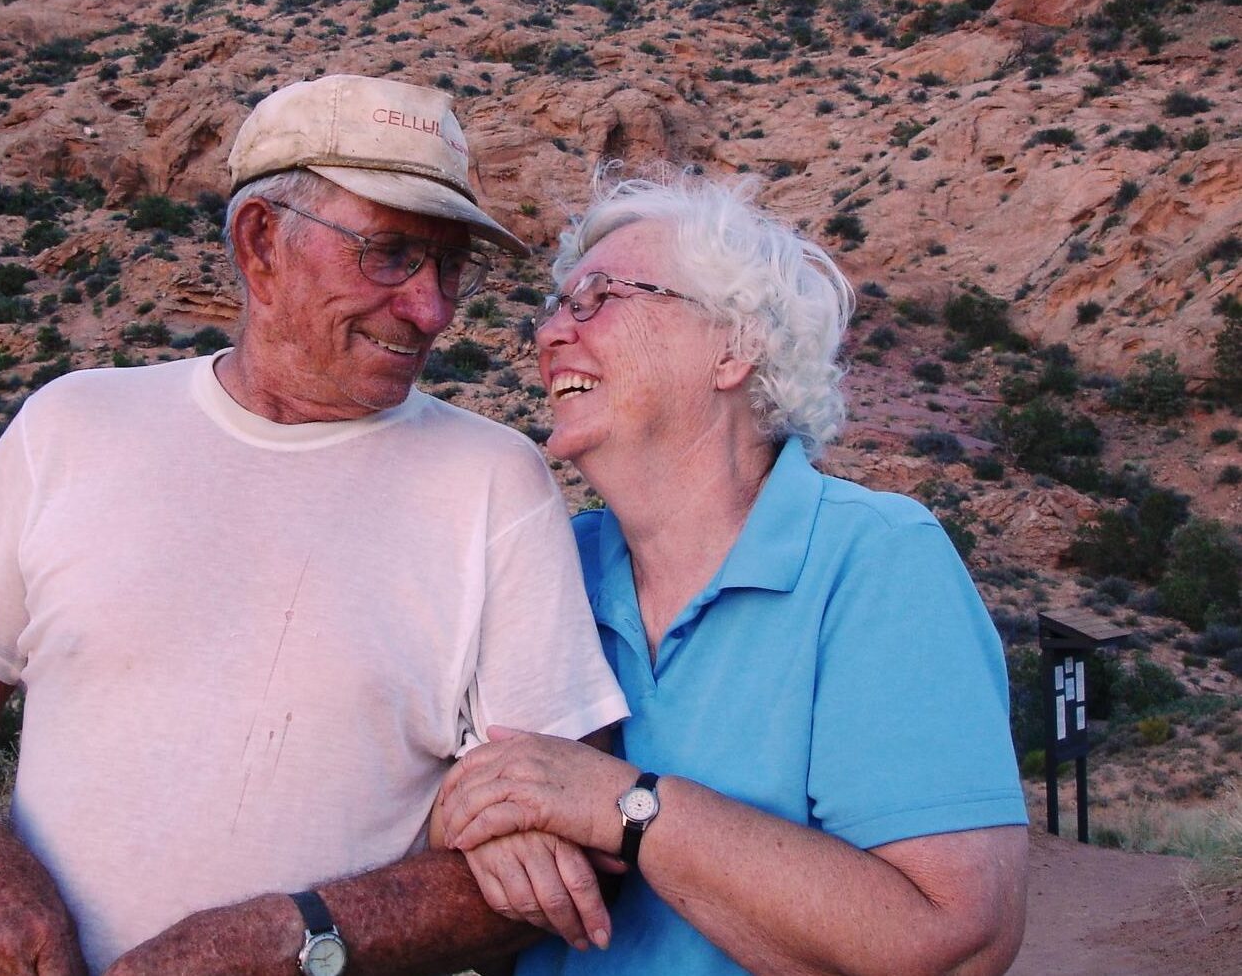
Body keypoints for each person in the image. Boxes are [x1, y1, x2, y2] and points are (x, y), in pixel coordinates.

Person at [0, 74, 629, 976]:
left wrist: (300, 935)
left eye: (449, 265)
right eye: (389, 253)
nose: (431, 309)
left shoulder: (493, 480)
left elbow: (568, 849)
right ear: (261, 242)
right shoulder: (70, 425)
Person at [437, 171, 1030, 975]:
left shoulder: (875, 560)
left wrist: (621, 804)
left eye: (599, 297)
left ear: (735, 346)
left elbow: (953, 940)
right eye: (554, 306)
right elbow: (449, 805)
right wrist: (479, 817)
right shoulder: (545, 562)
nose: (548, 335)